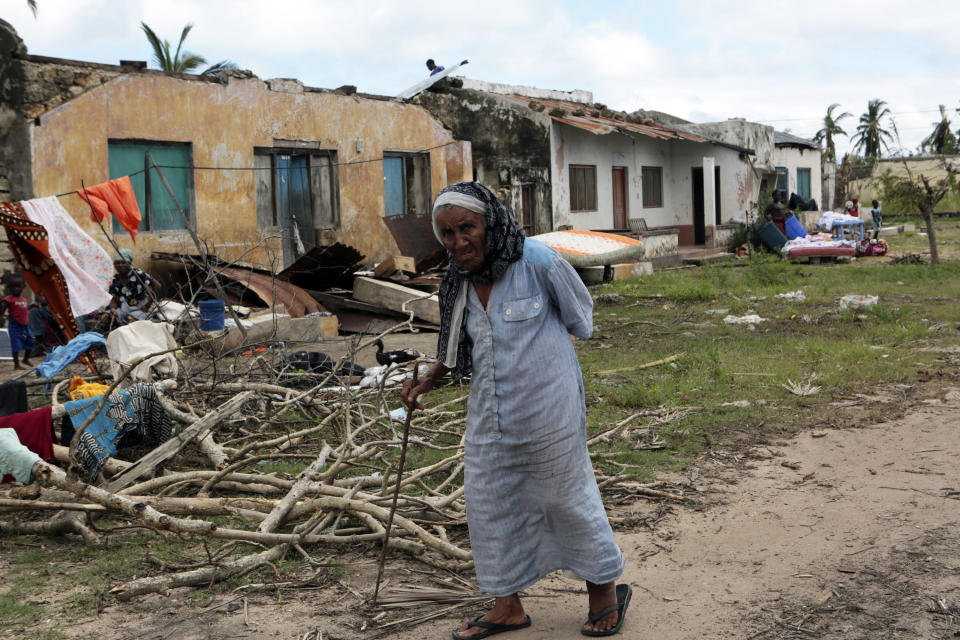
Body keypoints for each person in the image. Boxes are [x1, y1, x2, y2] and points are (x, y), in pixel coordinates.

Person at [401, 182, 630, 638]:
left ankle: (604, 592)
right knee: (489, 502)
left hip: (549, 405)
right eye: (447, 233)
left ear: (491, 223)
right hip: (490, 410)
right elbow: (451, 346)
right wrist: (427, 380)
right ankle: (507, 606)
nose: (458, 241)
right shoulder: (457, 280)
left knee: (565, 497)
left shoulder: (537, 261)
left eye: (467, 227)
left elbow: (580, 319)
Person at [107, 250, 160, 326]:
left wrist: (147, 306)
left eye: (123, 262)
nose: (120, 265)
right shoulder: (115, 279)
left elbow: (157, 285)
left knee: (127, 321)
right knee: (105, 318)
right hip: (123, 310)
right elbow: (114, 298)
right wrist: (113, 309)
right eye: (117, 263)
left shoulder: (138, 274)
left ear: (129, 263)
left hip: (140, 310)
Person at [0, 274, 34, 369]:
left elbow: (24, 309)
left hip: (25, 326)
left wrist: (33, 306)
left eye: (18, 286)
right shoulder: (8, 299)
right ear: (9, 288)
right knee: (16, 344)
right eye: (13, 287)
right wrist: (2, 304)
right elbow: (2, 310)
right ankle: (16, 364)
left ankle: (25, 359)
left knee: (31, 340)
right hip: (15, 325)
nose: (15, 289)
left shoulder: (23, 299)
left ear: (23, 286)